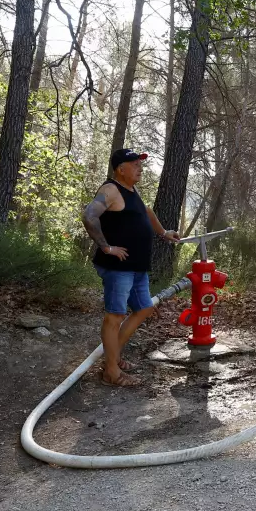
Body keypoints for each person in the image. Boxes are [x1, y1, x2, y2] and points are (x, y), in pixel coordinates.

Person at [81, 148, 180, 387]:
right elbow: (89, 216)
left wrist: (163, 233)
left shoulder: (131, 191)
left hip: (137, 267)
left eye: (140, 164)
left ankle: (112, 359)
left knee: (144, 308)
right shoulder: (110, 190)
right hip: (119, 267)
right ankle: (111, 372)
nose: (140, 168)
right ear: (120, 168)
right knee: (114, 317)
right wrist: (106, 247)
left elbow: (146, 212)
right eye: (134, 164)